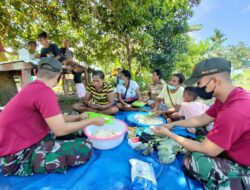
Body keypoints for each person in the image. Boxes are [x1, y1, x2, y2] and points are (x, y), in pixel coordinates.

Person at [152, 57, 250, 189]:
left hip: (243, 164)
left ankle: (238, 182)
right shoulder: (226, 98)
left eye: (199, 83)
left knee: (193, 160)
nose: (198, 88)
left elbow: (207, 149)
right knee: (201, 129)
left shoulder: (234, 111)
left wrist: (169, 134)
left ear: (214, 81)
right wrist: (173, 125)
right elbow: (200, 119)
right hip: (230, 149)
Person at [0, 57, 105, 176]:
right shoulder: (45, 92)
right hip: (15, 157)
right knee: (85, 147)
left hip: (27, 137)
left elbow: (55, 117)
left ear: (35, 73)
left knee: (75, 115)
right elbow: (59, 130)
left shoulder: (31, 88)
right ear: (59, 76)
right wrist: (91, 122)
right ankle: (30, 162)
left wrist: (77, 118)